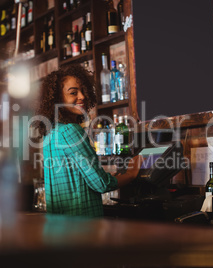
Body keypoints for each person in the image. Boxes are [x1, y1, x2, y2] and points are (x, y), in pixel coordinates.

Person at [35, 64, 141, 218]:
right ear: (58, 98)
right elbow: (101, 184)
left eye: (83, 90)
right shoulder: (71, 130)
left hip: (60, 228)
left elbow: (75, 175)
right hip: (82, 227)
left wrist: (111, 175)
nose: (82, 97)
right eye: (73, 93)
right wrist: (131, 173)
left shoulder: (51, 132)